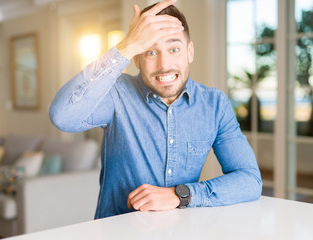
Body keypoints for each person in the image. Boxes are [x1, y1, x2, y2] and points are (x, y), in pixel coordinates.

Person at [49, 0, 262, 219]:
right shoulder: (116, 93)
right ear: (137, 59)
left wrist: (180, 195)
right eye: (150, 52)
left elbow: (249, 180)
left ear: (190, 52)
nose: (164, 64)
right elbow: (62, 116)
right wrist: (127, 45)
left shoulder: (214, 104)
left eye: (174, 49)